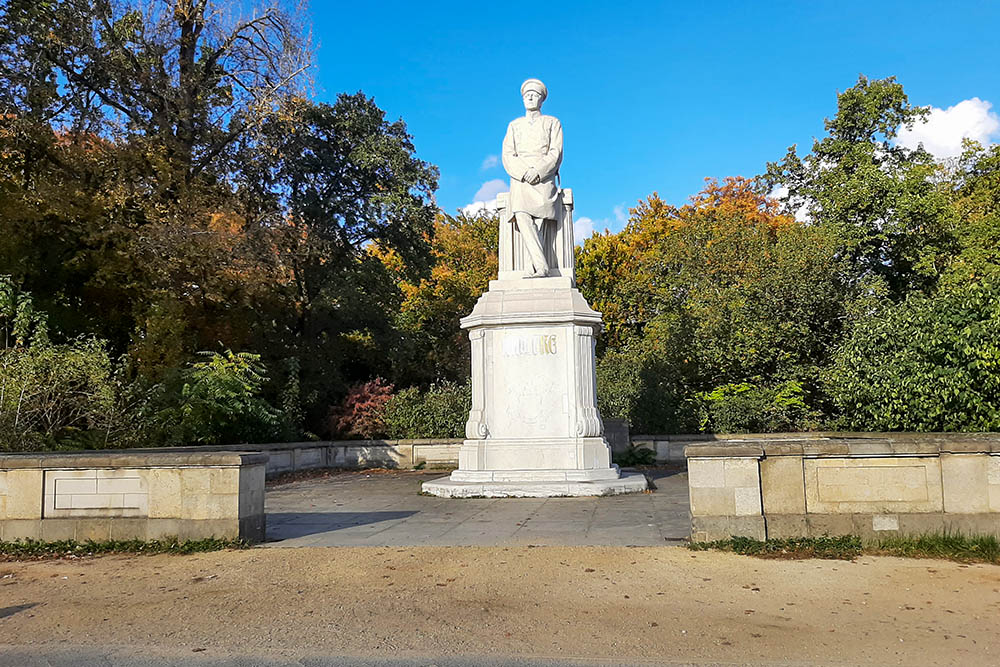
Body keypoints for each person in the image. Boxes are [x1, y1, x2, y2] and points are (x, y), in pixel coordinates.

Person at [502, 78, 563, 278]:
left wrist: (538, 170)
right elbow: (508, 154)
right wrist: (522, 172)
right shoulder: (514, 125)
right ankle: (541, 266)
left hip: (543, 178)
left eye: (534, 94)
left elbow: (556, 152)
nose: (529, 97)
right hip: (520, 180)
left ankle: (534, 267)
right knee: (521, 215)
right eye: (526, 94)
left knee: (539, 221)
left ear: (541, 99)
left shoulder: (552, 122)